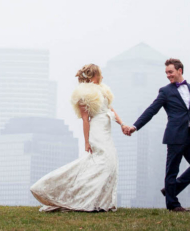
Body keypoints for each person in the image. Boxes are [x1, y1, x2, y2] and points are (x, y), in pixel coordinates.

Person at [121, 57, 190, 212]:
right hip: (175, 136)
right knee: (172, 171)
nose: (168, 75)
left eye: (170, 72)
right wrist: (135, 126)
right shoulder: (165, 91)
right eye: (166, 73)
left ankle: (171, 190)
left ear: (180, 70)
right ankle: (173, 205)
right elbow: (151, 110)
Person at [30, 63, 124, 212]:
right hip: (97, 132)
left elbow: (110, 110)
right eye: (99, 74)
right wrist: (87, 142)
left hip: (106, 130)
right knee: (102, 164)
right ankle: (82, 197)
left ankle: (101, 201)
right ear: (94, 75)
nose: (102, 76)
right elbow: (85, 119)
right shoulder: (83, 94)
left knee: (110, 163)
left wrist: (122, 124)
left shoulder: (103, 90)